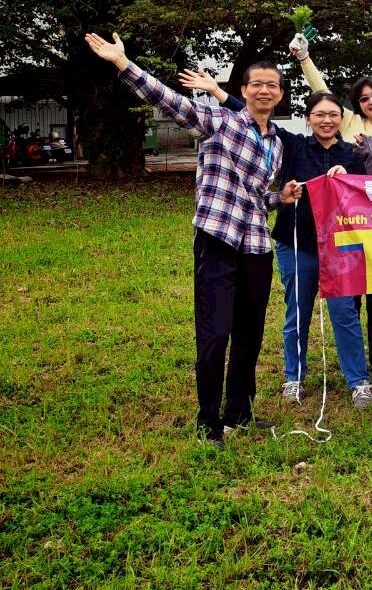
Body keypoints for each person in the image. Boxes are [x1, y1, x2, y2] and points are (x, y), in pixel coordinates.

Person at [86, 32, 290, 448]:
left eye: (272, 85)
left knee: (249, 332)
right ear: (243, 91)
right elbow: (169, 101)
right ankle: (208, 420)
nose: (264, 90)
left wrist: (279, 198)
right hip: (217, 238)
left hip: (256, 245)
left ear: (281, 94)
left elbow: (257, 197)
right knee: (215, 332)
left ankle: (240, 410)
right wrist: (123, 63)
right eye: (257, 84)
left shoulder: (277, 143)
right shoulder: (218, 121)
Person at [179, 73, 372, 409]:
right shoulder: (292, 144)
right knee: (298, 311)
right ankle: (294, 376)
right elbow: (254, 116)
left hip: (340, 248)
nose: (326, 120)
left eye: (333, 115)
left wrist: (348, 177)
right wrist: (218, 91)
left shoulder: (352, 155)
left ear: (341, 120)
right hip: (296, 243)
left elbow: (368, 195)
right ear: (308, 118)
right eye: (319, 114)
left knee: (345, 312)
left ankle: (359, 381)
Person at [289, 27, 372, 373]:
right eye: (364, 98)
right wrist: (304, 58)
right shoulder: (350, 123)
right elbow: (322, 93)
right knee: (348, 292)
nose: (371, 101)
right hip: (344, 222)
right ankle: (351, 354)